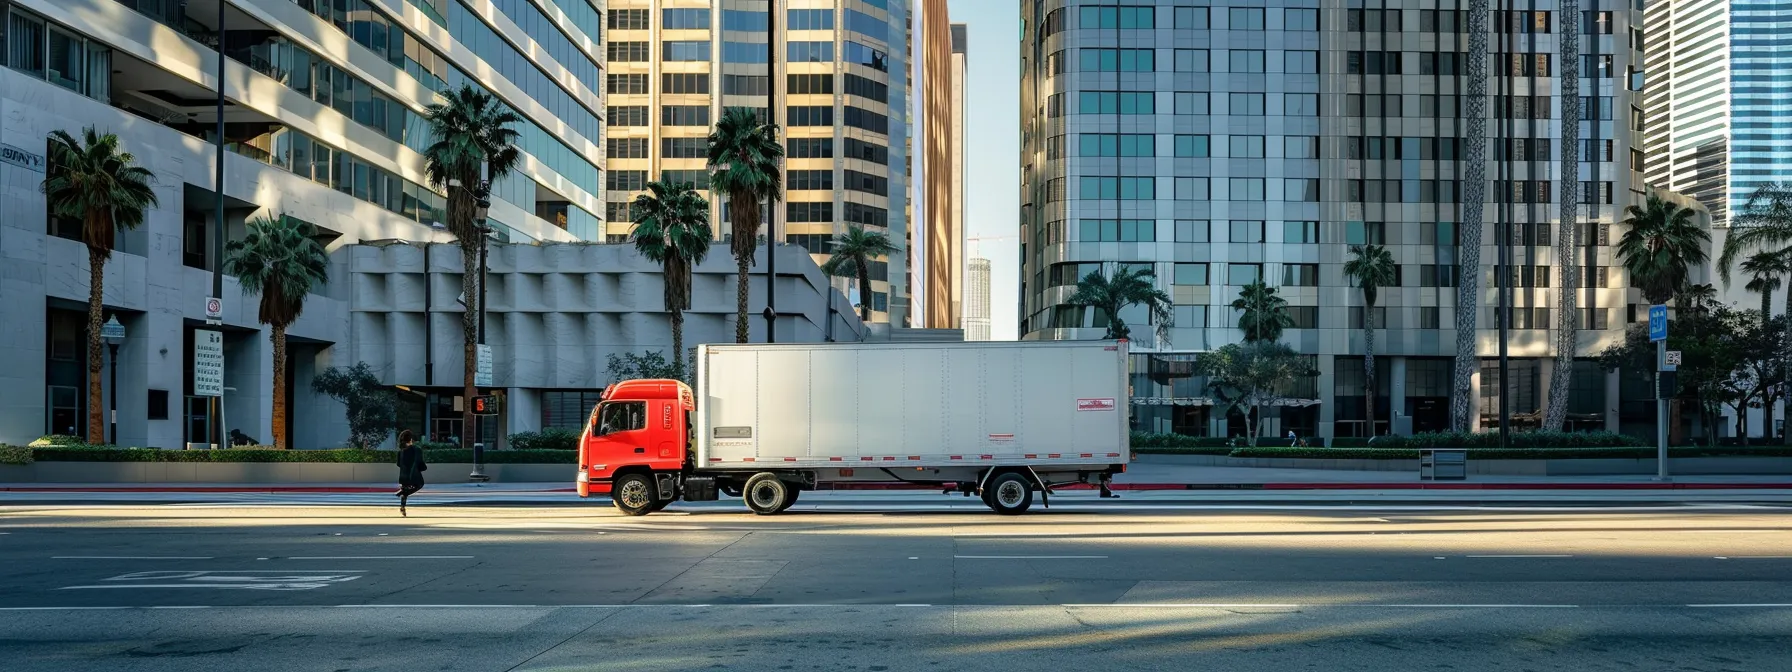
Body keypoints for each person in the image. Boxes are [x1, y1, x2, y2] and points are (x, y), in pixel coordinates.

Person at [395, 430, 426, 516]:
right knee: (420, 484)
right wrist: (422, 468)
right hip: (414, 475)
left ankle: (403, 506)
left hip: (403, 475)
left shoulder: (400, 451)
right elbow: (420, 462)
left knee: (405, 489)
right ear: (411, 439)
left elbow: (398, 464)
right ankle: (404, 492)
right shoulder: (417, 450)